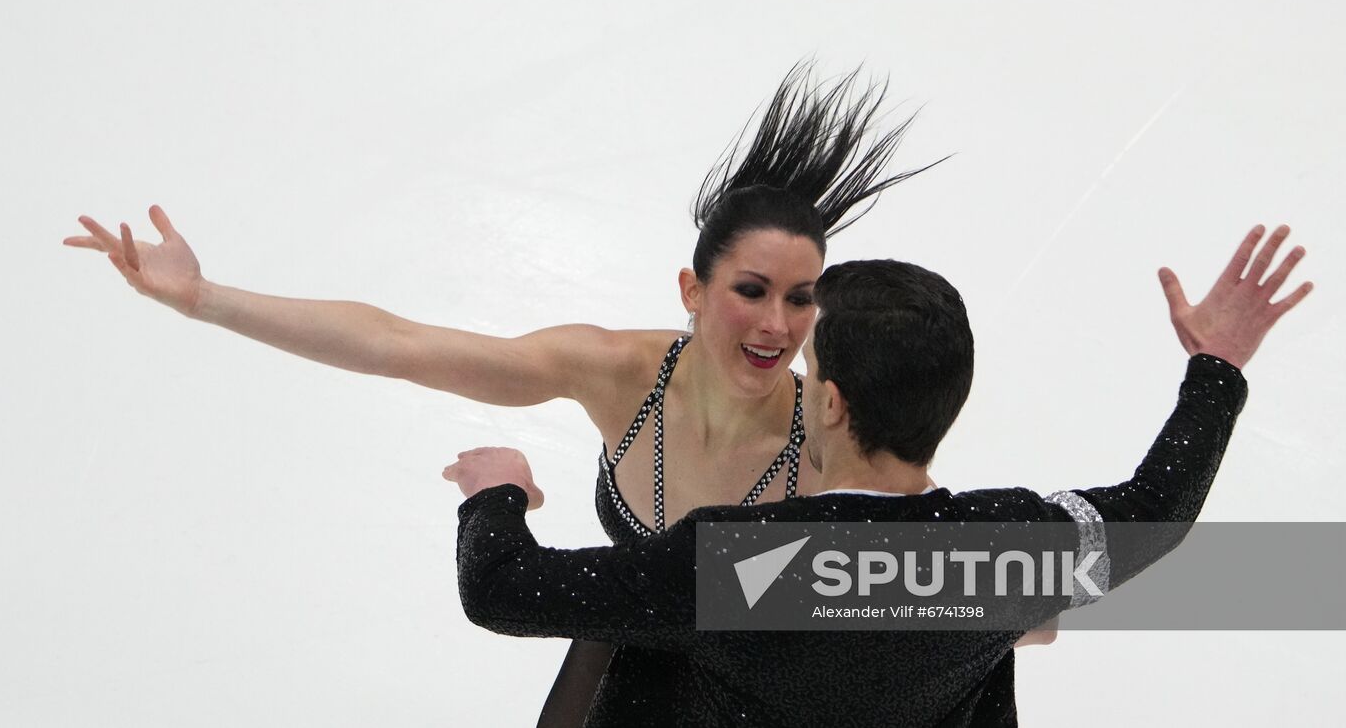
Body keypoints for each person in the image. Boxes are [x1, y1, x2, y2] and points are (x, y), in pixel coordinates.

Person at [64, 63, 976, 725]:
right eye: (751, 290)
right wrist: (204, 298)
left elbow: (947, 574)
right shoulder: (617, 370)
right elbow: (398, 344)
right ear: (693, 291)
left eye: (801, 297)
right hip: (622, 663)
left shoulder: (830, 427)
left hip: (764, 694)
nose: (778, 325)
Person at [447, 225, 1312, 727]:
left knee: (630, 631)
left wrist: (498, 487)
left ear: (828, 404)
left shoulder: (737, 562)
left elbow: (502, 589)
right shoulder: (1005, 546)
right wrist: (1218, 367)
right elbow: (1157, 511)